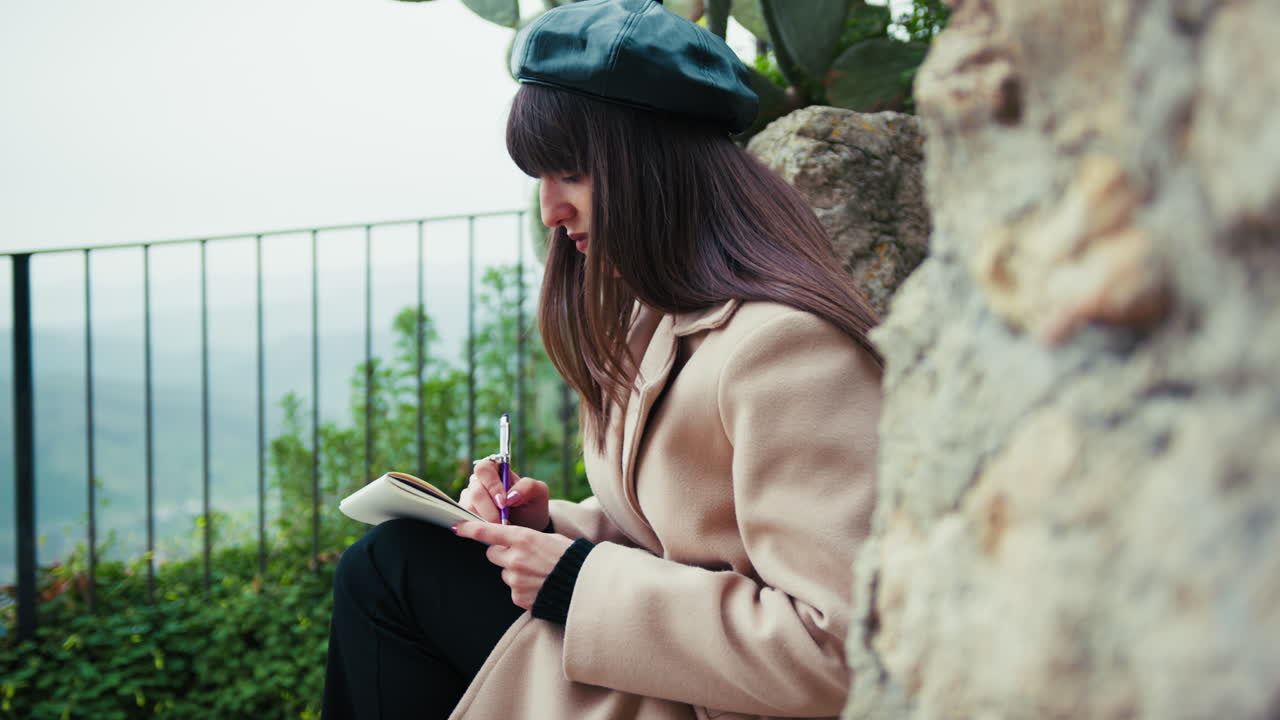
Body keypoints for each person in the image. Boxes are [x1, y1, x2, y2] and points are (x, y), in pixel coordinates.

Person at [321, 0, 883, 718]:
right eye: (540, 177)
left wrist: (576, 581)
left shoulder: (789, 349)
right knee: (400, 559)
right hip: (672, 664)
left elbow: (847, 654)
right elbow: (676, 540)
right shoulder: (660, 318)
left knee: (391, 573)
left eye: (572, 173)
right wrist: (551, 532)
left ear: (654, 164)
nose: (550, 210)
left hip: (718, 700)